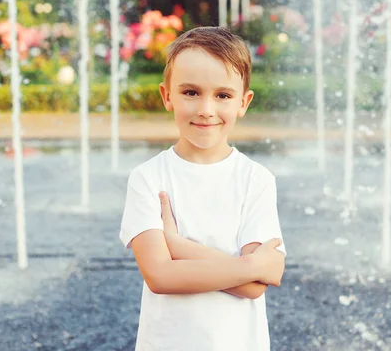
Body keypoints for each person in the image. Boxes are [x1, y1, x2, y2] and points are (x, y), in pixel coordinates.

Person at [119, 26, 286, 351]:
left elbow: (254, 288)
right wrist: (250, 266)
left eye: (222, 95)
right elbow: (160, 277)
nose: (206, 109)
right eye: (191, 92)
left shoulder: (256, 179)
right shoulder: (148, 178)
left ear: (243, 101)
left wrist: (176, 245)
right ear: (167, 96)